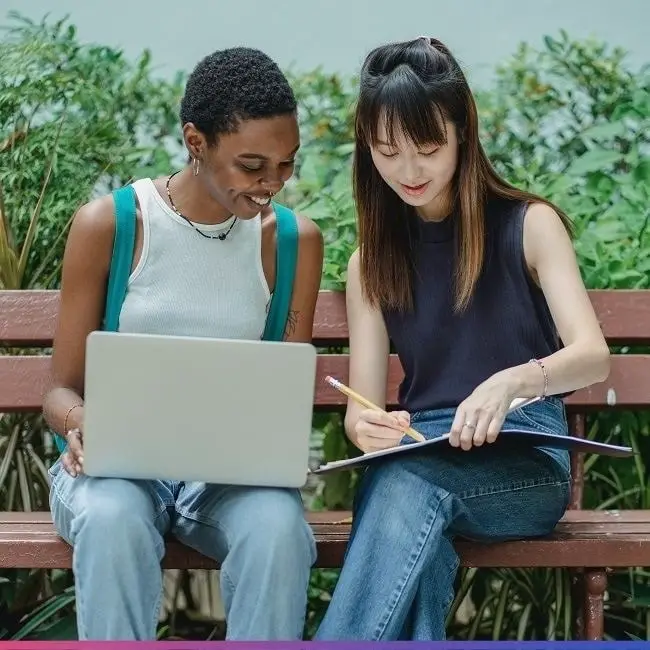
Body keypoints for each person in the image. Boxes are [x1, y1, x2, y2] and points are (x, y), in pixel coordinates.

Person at [315, 37, 610, 641]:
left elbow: (593, 356)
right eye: (387, 151)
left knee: (402, 488)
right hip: (422, 452)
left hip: (525, 459)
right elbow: (362, 410)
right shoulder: (369, 263)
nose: (409, 171)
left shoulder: (530, 225)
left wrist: (513, 381)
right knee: (408, 499)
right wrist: (368, 425)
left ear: (462, 134)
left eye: (427, 148)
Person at [42, 47, 323, 641]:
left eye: (286, 164)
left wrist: (283, 445)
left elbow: (283, 392)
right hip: (112, 476)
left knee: (277, 528)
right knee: (114, 518)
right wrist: (84, 421)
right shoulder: (112, 225)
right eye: (252, 165)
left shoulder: (292, 242)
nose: (271, 184)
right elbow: (60, 391)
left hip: (223, 483)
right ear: (196, 142)